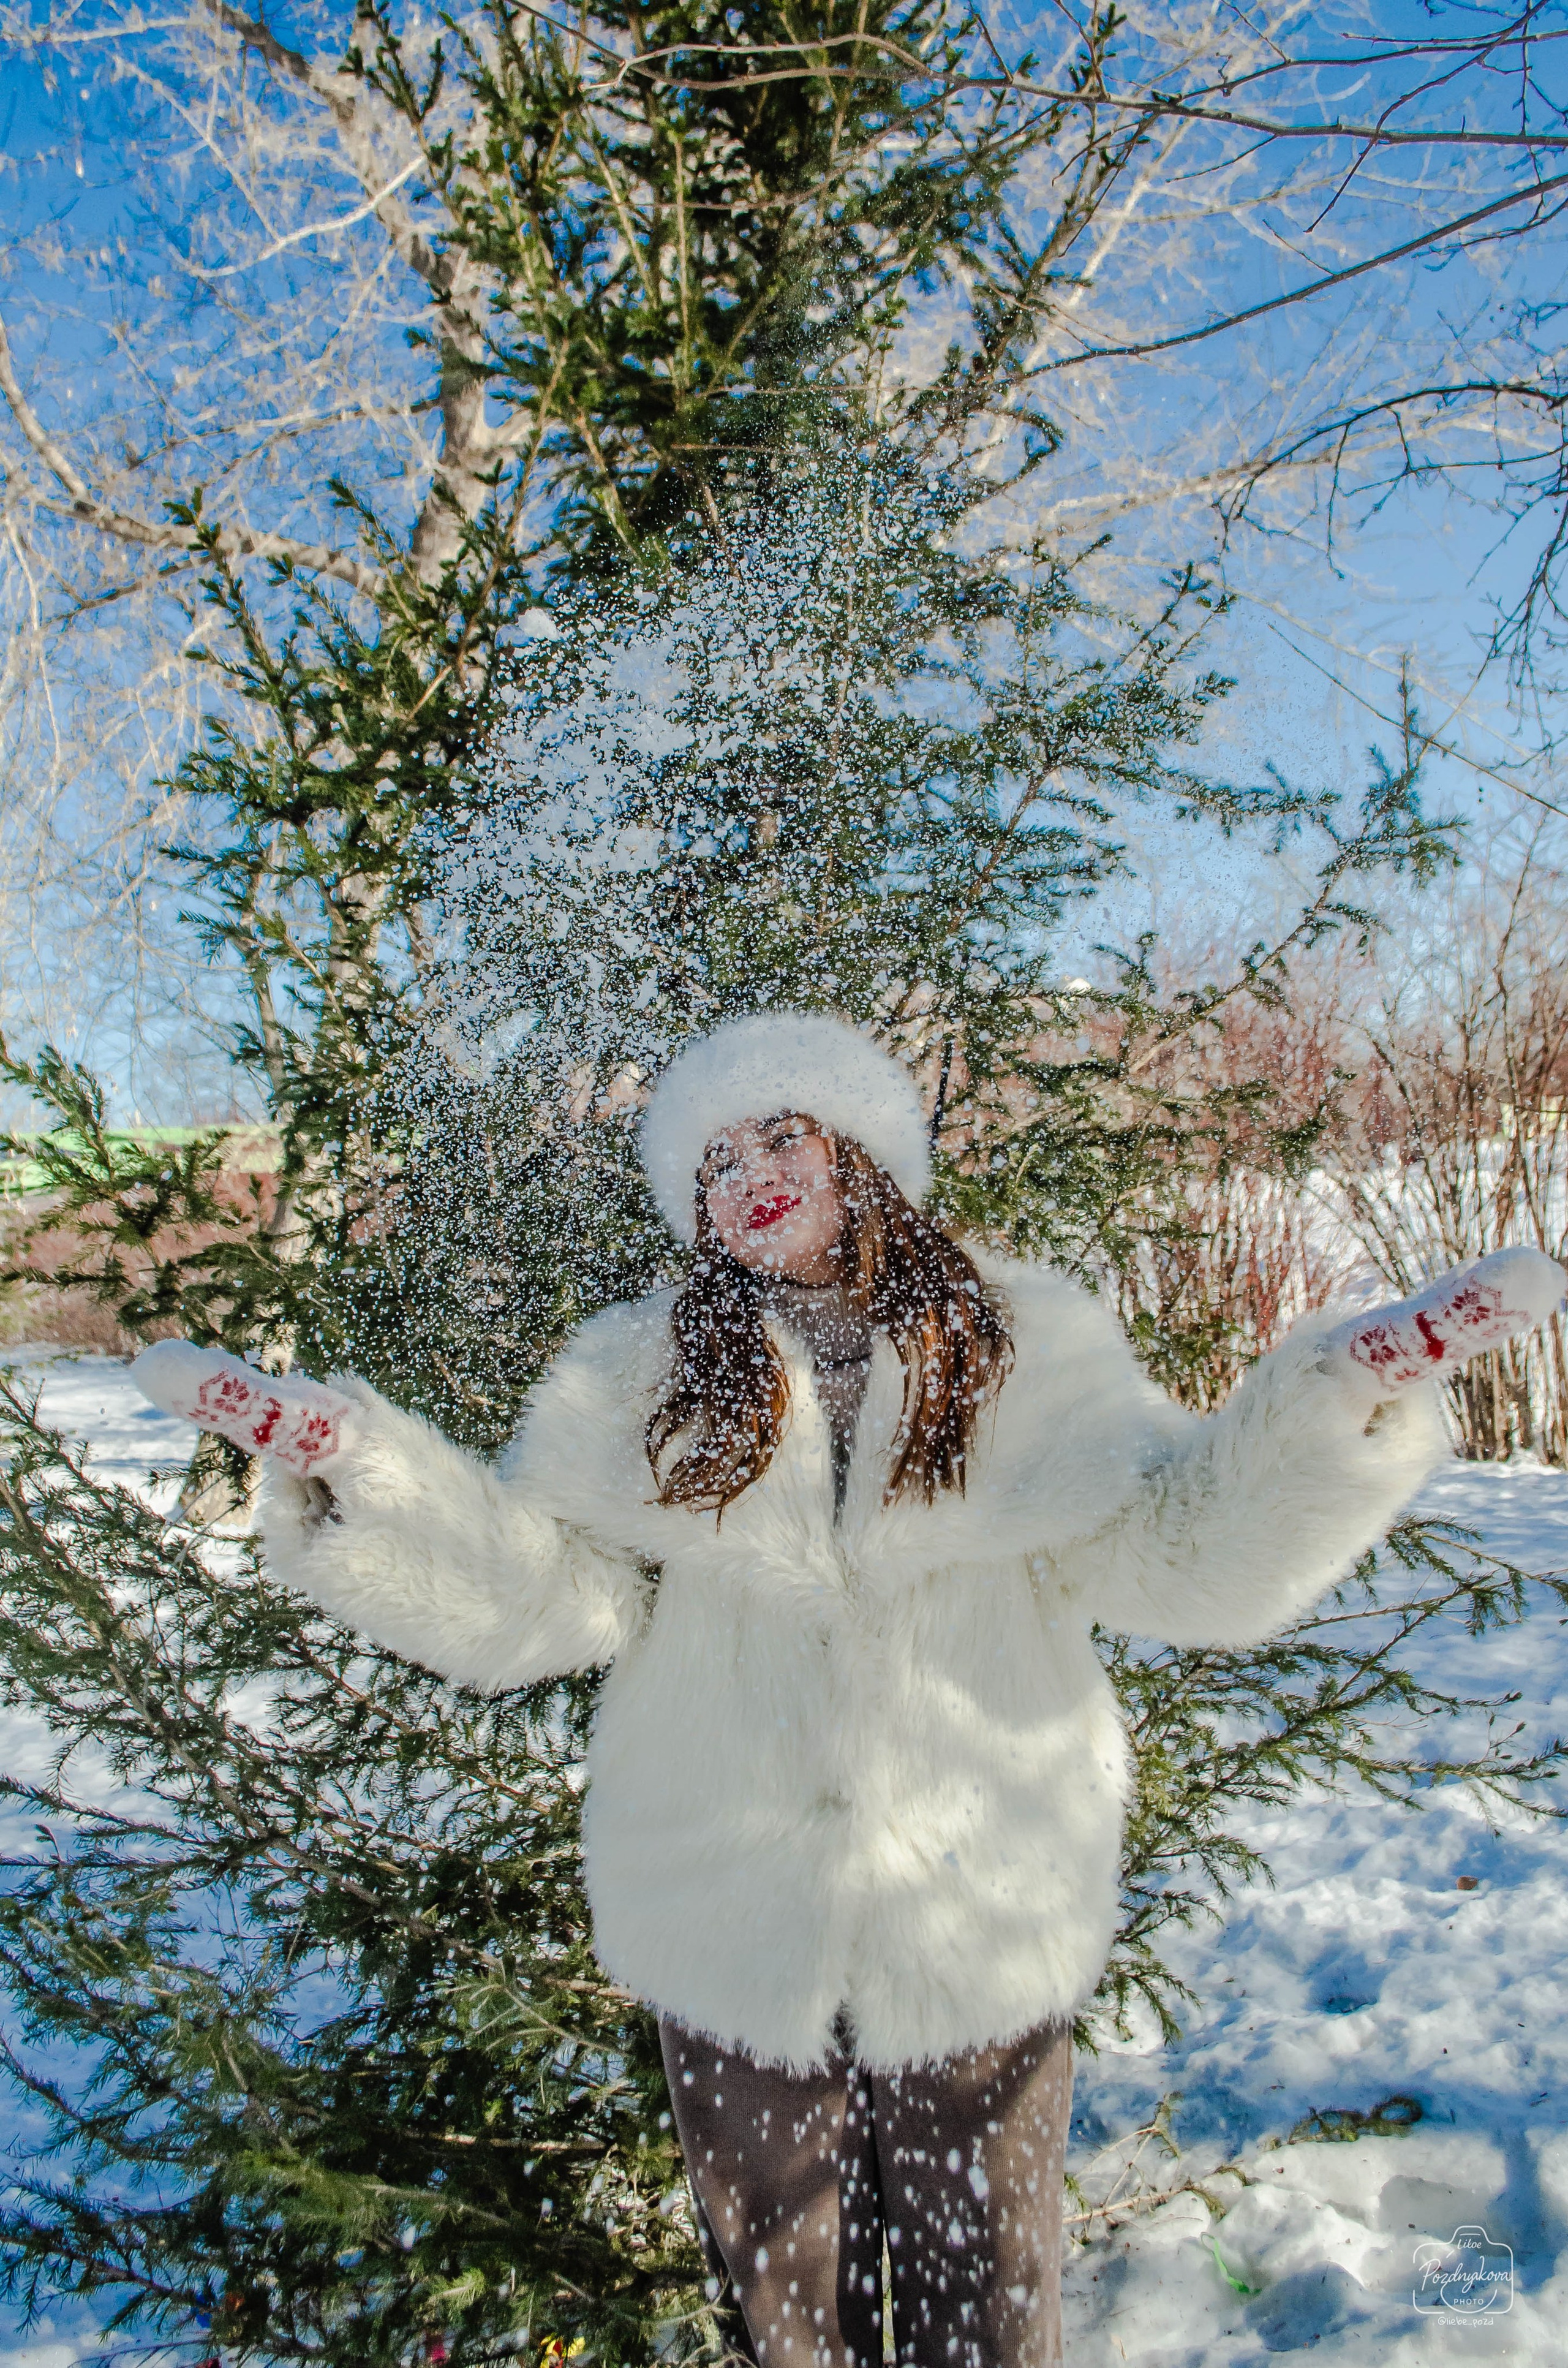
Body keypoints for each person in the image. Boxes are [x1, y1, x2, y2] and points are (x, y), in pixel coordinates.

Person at [133, 1012, 1566, 2368]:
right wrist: (357, 1470)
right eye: (713, 1164)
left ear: (857, 1152)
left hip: (978, 1903)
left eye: (778, 1139)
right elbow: (534, 1596)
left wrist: (1334, 1401)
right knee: (784, 2318)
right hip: (724, 1918)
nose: (748, 1178)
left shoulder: (1023, 1345)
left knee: (988, 2305)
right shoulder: (638, 1376)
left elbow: (1182, 1551)